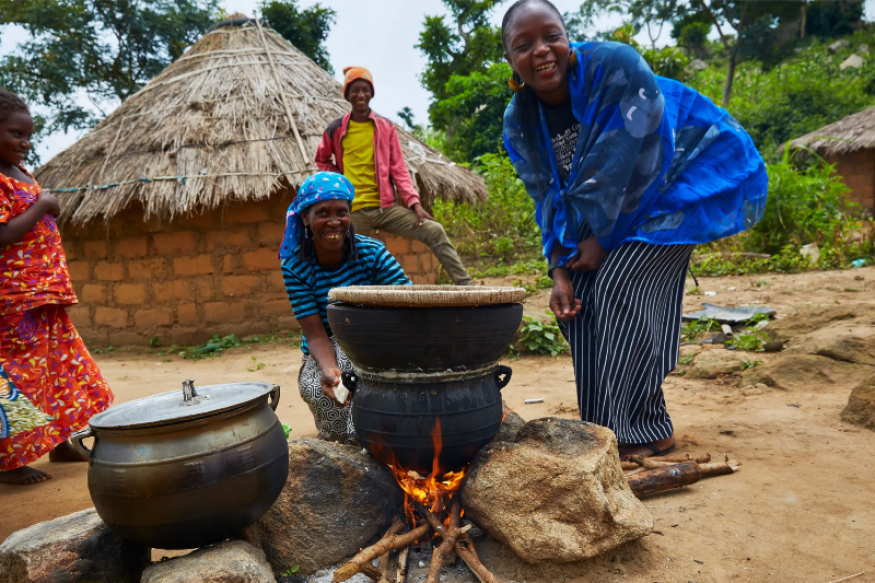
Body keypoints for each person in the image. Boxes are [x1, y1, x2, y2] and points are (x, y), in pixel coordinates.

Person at [500, 0, 768, 457]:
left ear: (568, 37)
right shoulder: (519, 121)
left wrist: (602, 240)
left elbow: (646, 161)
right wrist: (559, 271)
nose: (541, 51)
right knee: (582, 299)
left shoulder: (615, 66)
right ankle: (605, 430)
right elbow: (549, 198)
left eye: (551, 36)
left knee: (620, 283)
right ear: (509, 60)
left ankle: (646, 427)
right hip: (610, 210)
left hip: (681, 182)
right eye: (523, 45)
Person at [0, 88, 114, 485]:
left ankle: (61, 441)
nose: (25, 142)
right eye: (16, 134)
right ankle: (9, 461)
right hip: (12, 300)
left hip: (44, 294)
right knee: (18, 375)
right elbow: (2, 234)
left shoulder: (21, 173)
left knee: (58, 367)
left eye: (28, 135)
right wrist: (43, 206)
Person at [278, 171, 410, 444]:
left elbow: (409, 301)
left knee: (363, 378)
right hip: (325, 348)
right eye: (323, 213)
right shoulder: (295, 266)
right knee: (318, 388)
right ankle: (341, 443)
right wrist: (329, 369)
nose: (334, 221)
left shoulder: (371, 253)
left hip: (377, 341)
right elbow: (315, 334)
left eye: (342, 212)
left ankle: (372, 441)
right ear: (306, 217)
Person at [315, 66, 473, 286]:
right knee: (351, 259)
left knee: (434, 230)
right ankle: (352, 308)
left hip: (386, 208)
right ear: (347, 95)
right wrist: (340, 179)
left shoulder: (385, 127)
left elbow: (398, 168)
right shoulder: (336, 129)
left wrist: (413, 202)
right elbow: (321, 160)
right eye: (355, 90)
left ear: (372, 94)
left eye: (365, 90)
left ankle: (466, 286)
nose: (361, 95)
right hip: (353, 210)